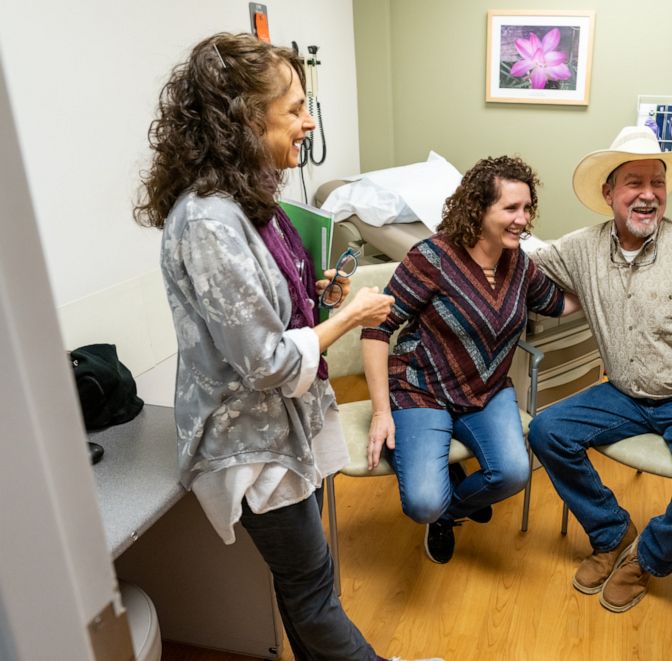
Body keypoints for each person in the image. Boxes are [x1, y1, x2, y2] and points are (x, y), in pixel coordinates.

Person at [134, 32, 441, 661]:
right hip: (251, 443)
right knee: (313, 592)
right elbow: (268, 362)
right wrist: (351, 317)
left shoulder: (253, 203)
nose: (308, 123)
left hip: (280, 426)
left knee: (305, 586)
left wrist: (319, 296)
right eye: (296, 108)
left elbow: (271, 314)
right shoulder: (208, 221)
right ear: (247, 116)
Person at [527, 126, 672, 613]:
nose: (649, 195)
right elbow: (525, 262)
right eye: (634, 183)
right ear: (608, 192)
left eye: (657, 183)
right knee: (547, 430)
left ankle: (648, 559)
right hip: (622, 393)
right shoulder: (580, 249)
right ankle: (612, 532)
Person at [361, 156, 580, 564]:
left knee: (514, 474)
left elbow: (556, 303)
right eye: (511, 208)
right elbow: (375, 328)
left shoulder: (518, 264)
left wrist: (605, 290)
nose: (523, 219)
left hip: (487, 389)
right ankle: (436, 502)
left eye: (527, 208)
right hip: (422, 388)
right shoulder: (432, 258)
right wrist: (379, 412)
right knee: (423, 502)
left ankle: (449, 513)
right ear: (479, 209)